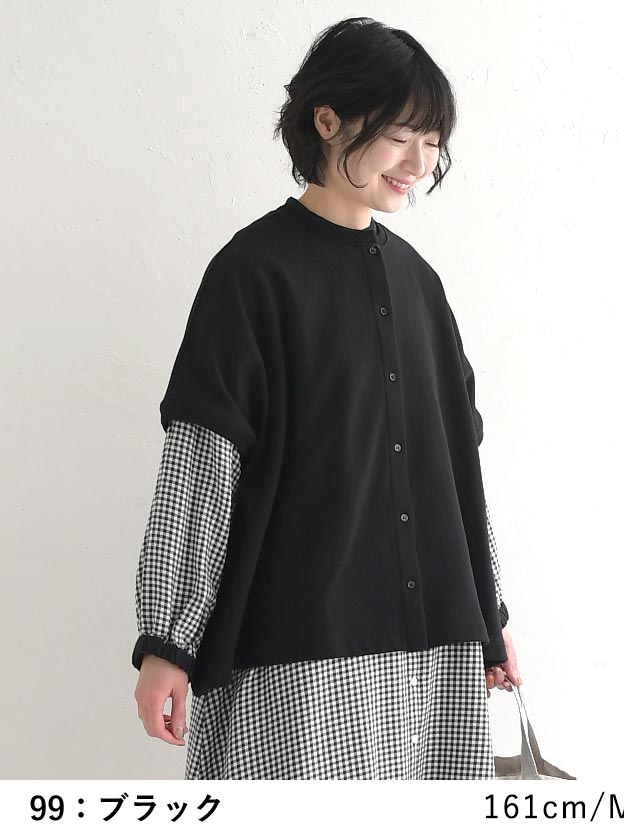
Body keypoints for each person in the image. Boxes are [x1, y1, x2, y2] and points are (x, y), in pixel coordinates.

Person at [133, 16, 522, 780]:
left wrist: (491, 615)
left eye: (433, 141)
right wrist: (168, 640)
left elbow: (458, 474)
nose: (419, 163)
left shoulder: (421, 286)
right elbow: (202, 464)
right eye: (401, 136)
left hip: (436, 660)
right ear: (327, 120)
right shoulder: (252, 275)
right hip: (302, 654)